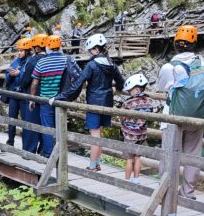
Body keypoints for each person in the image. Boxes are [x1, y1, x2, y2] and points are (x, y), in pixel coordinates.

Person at [155, 24, 204, 199]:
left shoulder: (169, 67)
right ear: (194, 44)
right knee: (193, 154)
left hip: (172, 116)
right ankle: (188, 191)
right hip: (196, 117)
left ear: (175, 44)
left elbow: (161, 87)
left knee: (169, 153)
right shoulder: (201, 62)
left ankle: (167, 190)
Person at [53, 33, 124, 171]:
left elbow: (78, 84)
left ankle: (92, 166)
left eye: (91, 50)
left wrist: (61, 97)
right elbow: (120, 82)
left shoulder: (91, 65)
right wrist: (118, 90)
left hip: (94, 102)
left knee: (94, 135)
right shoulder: (111, 64)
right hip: (108, 101)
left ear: (96, 50)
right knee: (99, 133)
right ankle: (97, 163)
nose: (89, 53)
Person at [30, 35, 79, 157]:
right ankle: (61, 153)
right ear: (59, 46)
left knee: (47, 128)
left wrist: (32, 99)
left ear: (47, 47)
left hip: (45, 100)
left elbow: (35, 83)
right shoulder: (66, 60)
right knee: (60, 127)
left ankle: (49, 154)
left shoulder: (42, 62)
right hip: (61, 99)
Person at [118, 73, 159, 184]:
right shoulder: (149, 100)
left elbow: (122, 117)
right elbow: (151, 114)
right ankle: (136, 179)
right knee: (137, 157)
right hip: (142, 134)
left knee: (129, 158)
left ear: (136, 89)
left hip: (130, 135)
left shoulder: (129, 102)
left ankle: (126, 181)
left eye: (130, 90)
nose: (129, 93)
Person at [3, 37, 34, 148]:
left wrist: (19, 74)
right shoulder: (15, 61)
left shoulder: (30, 62)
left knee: (25, 120)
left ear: (27, 51)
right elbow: (7, 77)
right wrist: (10, 75)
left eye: (21, 51)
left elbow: (28, 78)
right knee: (11, 119)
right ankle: (10, 141)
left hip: (24, 95)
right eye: (18, 50)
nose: (19, 53)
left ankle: (25, 146)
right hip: (14, 94)